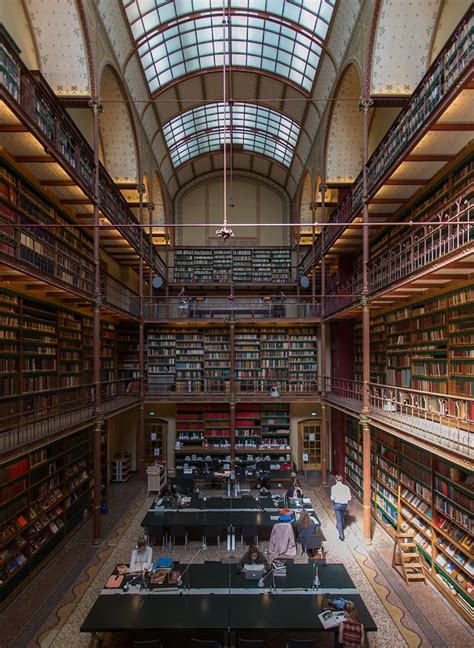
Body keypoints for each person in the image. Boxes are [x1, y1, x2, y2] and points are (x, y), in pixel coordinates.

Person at [330, 474, 351, 541]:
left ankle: (341, 536)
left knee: (338, 519)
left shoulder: (333, 487)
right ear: (342, 480)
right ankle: (342, 526)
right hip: (344, 505)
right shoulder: (346, 487)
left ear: (336, 480)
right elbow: (349, 498)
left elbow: (332, 498)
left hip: (337, 505)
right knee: (342, 515)